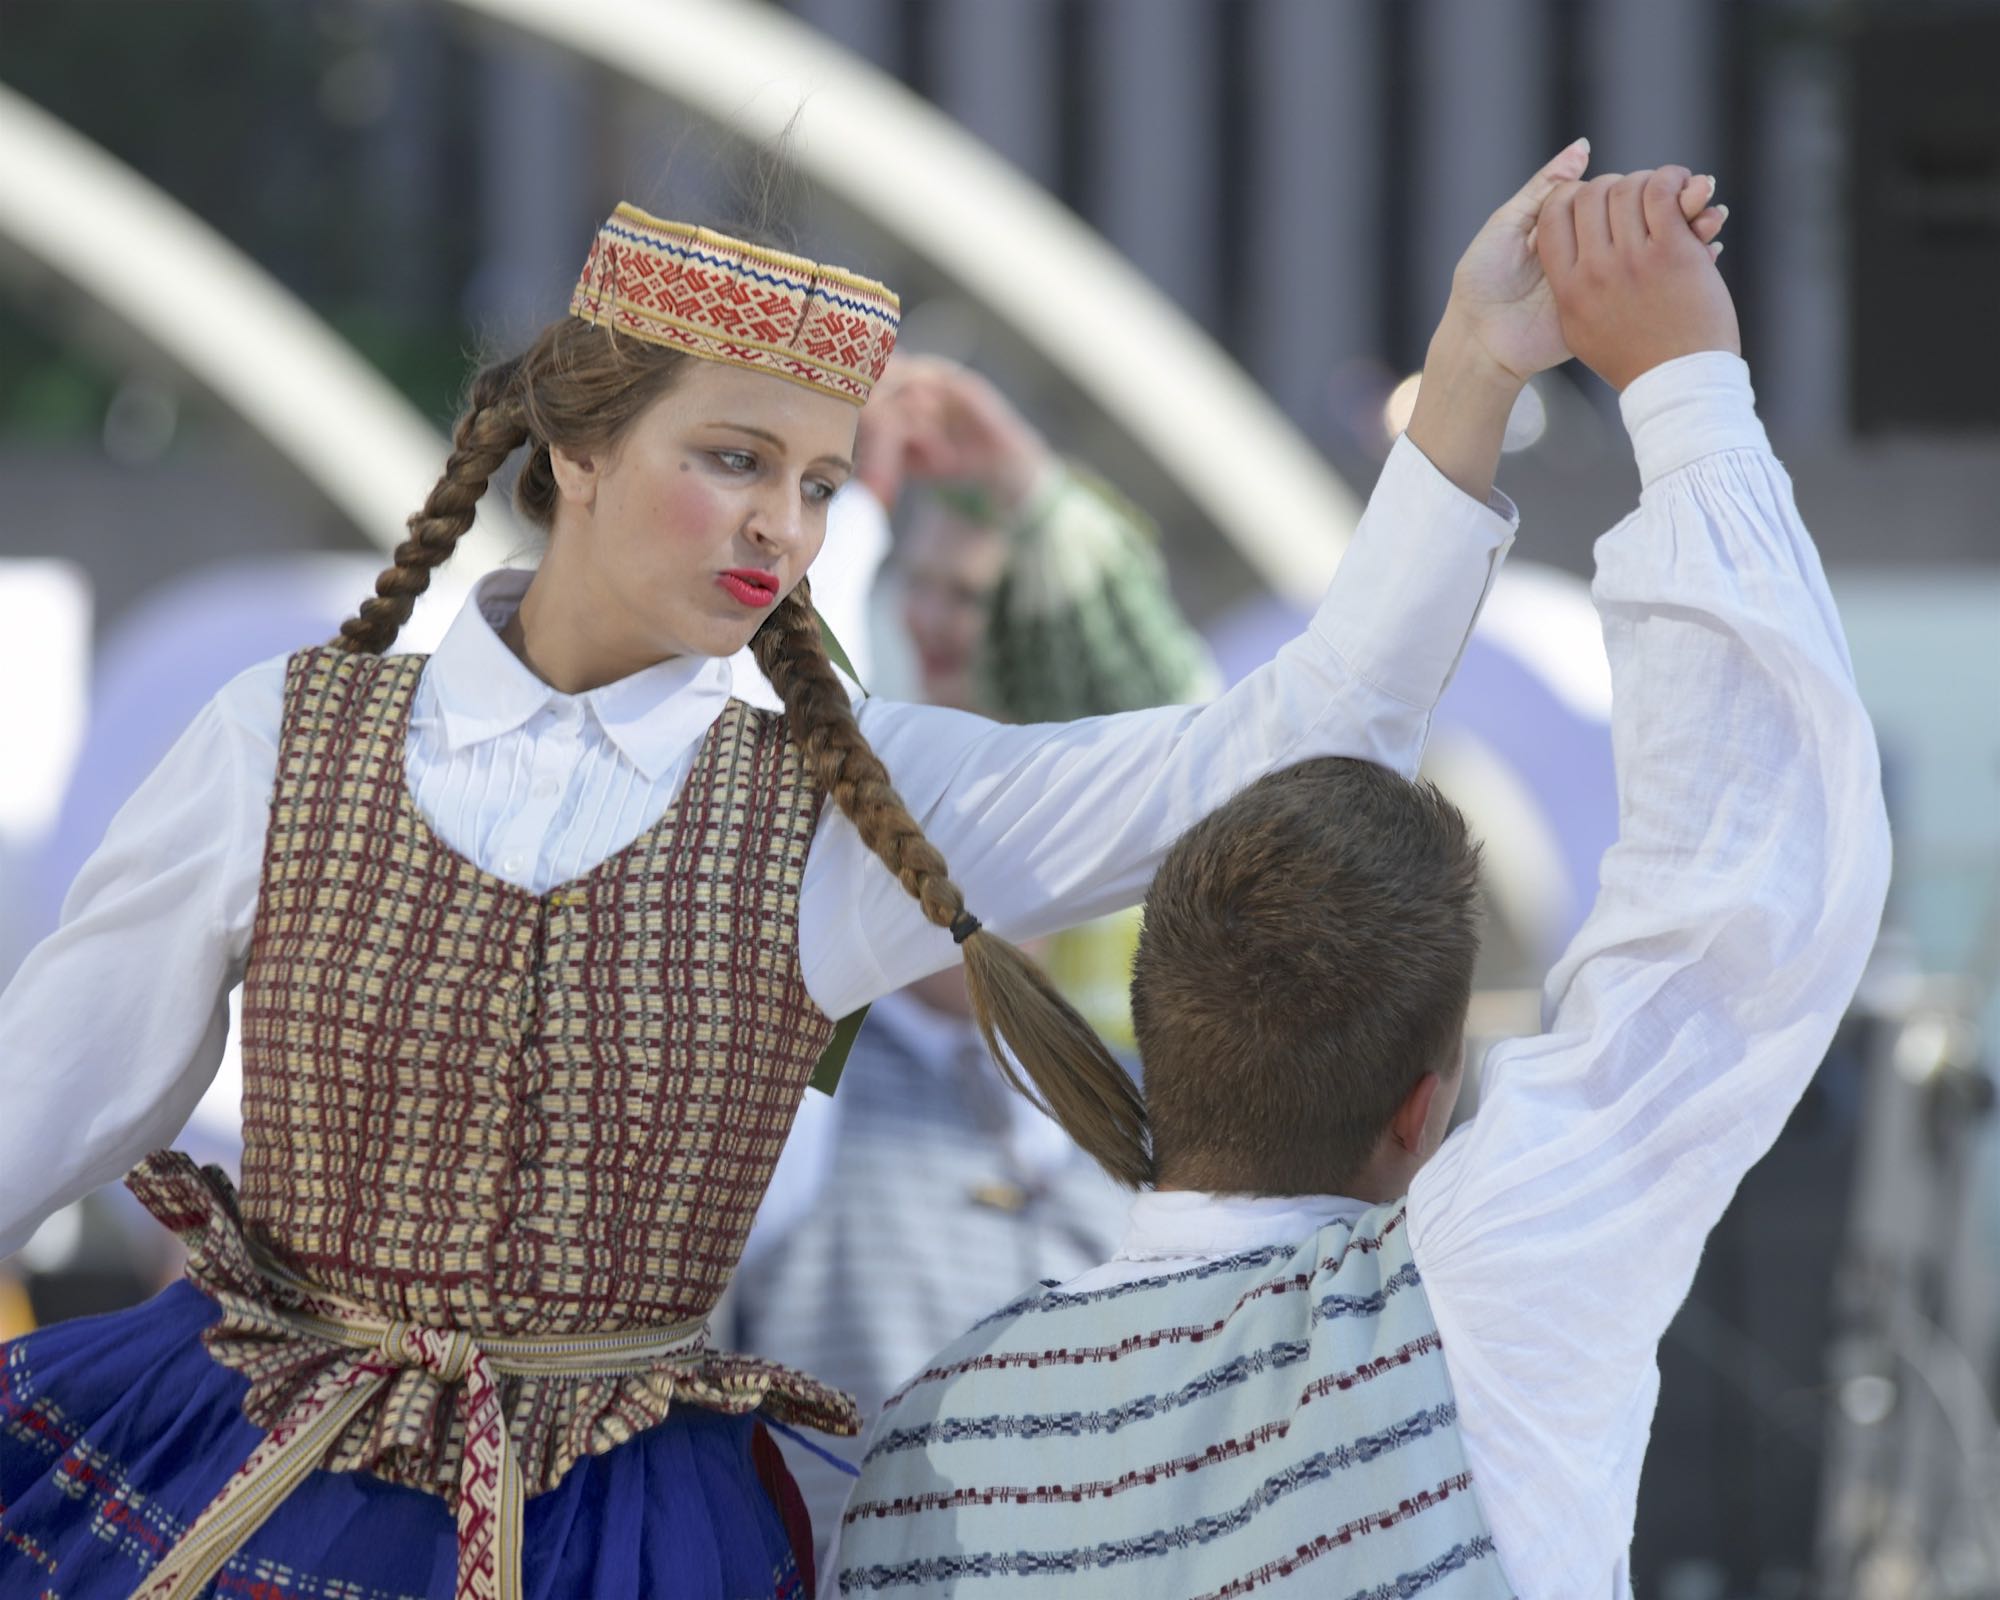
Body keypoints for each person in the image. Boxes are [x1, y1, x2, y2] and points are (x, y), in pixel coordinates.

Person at [0, 142, 1721, 1600]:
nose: (786, 527)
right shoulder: (281, 737)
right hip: (244, 1480)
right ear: (575, 453)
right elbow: (40, 1105)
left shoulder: (835, 806)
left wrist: (1475, 369)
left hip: (627, 1539)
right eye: (734, 460)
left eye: (820, 482)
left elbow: (1296, 740)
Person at [833, 164, 1891, 1599]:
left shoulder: (936, 1439)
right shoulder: (1473, 1312)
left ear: (1159, 1036)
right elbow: (1739, 922)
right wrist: (1680, 386)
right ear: (1422, 1109)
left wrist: (1544, 369)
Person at [728, 358, 1218, 1574]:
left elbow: (1197, 741)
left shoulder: (1152, 1111)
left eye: (981, 598)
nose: (946, 624)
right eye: (928, 588)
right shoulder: (792, 1080)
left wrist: (1032, 492)